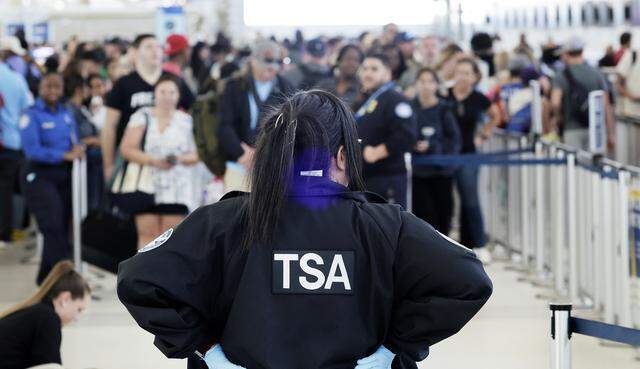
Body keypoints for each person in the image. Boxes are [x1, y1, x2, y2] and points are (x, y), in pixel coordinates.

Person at [117, 89, 493, 369]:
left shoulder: (224, 221)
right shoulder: (384, 224)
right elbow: (467, 279)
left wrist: (206, 348)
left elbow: (138, 278)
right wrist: (394, 348)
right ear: (343, 155)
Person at [118, 75, 202, 249]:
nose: (167, 96)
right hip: (146, 185)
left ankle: (167, 275)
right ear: (155, 93)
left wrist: (178, 159)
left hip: (177, 188)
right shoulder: (142, 116)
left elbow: (196, 155)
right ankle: (142, 275)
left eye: (172, 92)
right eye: (162, 91)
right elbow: (126, 148)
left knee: (171, 238)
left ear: (178, 95)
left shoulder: (186, 120)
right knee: (147, 236)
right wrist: (154, 161)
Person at [20, 73, 85, 284]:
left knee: (61, 228)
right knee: (52, 225)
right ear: (40, 87)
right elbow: (32, 150)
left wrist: (78, 149)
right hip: (39, 176)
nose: (53, 91)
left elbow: (73, 141)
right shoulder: (31, 115)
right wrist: (63, 155)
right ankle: (63, 280)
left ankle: (46, 280)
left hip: (64, 176)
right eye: (49, 86)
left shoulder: (66, 114)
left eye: (57, 86)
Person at [102, 34, 194, 183]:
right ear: (135, 52)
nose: (155, 51)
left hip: (171, 166)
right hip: (133, 163)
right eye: (149, 47)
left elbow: (193, 115)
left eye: (158, 46)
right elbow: (109, 127)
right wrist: (108, 164)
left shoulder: (174, 81)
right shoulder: (124, 84)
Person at [217, 39, 294, 192]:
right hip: (239, 163)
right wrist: (243, 153)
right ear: (253, 60)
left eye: (277, 61)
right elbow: (224, 125)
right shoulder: (235, 86)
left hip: (272, 165)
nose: (272, 66)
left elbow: (290, 126)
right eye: (267, 60)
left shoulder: (286, 87)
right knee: (235, 212)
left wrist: (265, 155)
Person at [446, 58, 500, 264]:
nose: (463, 76)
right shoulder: (445, 95)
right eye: (459, 72)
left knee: (470, 199)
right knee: (446, 201)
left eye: (467, 73)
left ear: (475, 76)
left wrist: (483, 134)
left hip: (468, 154)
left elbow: (495, 115)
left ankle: (479, 243)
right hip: (445, 155)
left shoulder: (479, 98)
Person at [0, 260, 91, 369]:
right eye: (79, 309)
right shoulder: (48, 318)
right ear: (65, 299)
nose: (77, 318)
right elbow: (51, 367)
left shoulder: (35, 312)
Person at [355, 53, 417, 209]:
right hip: (367, 176)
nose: (368, 73)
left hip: (388, 176)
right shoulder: (367, 99)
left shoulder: (395, 99)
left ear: (387, 73)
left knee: (390, 228)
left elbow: (407, 135)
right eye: (365, 68)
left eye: (374, 69)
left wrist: (378, 152)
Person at [411, 68, 461, 235]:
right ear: (416, 84)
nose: (425, 85)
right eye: (422, 81)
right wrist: (413, 145)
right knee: (423, 215)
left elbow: (454, 139)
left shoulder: (444, 109)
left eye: (430, 81)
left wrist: (434, 147)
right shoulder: (409, 108)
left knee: (443, 214)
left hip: (442, 172)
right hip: (418, 172)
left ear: (436, 85)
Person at [550, 36, 615, 150]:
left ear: (566, 54)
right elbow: (606, 106)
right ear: (582, 51)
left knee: (574, 165)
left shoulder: (560, 76)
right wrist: (610, 134)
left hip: (571, 129)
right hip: (596, 130)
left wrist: (559, 119)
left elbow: (555, 103)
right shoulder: (596, 74)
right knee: (594, 166)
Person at [0, 46, 31, 246]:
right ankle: (5, 233)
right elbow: (26, 111)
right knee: (6, 190)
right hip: (11, 143)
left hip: (8, 141)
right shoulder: (16, 79)